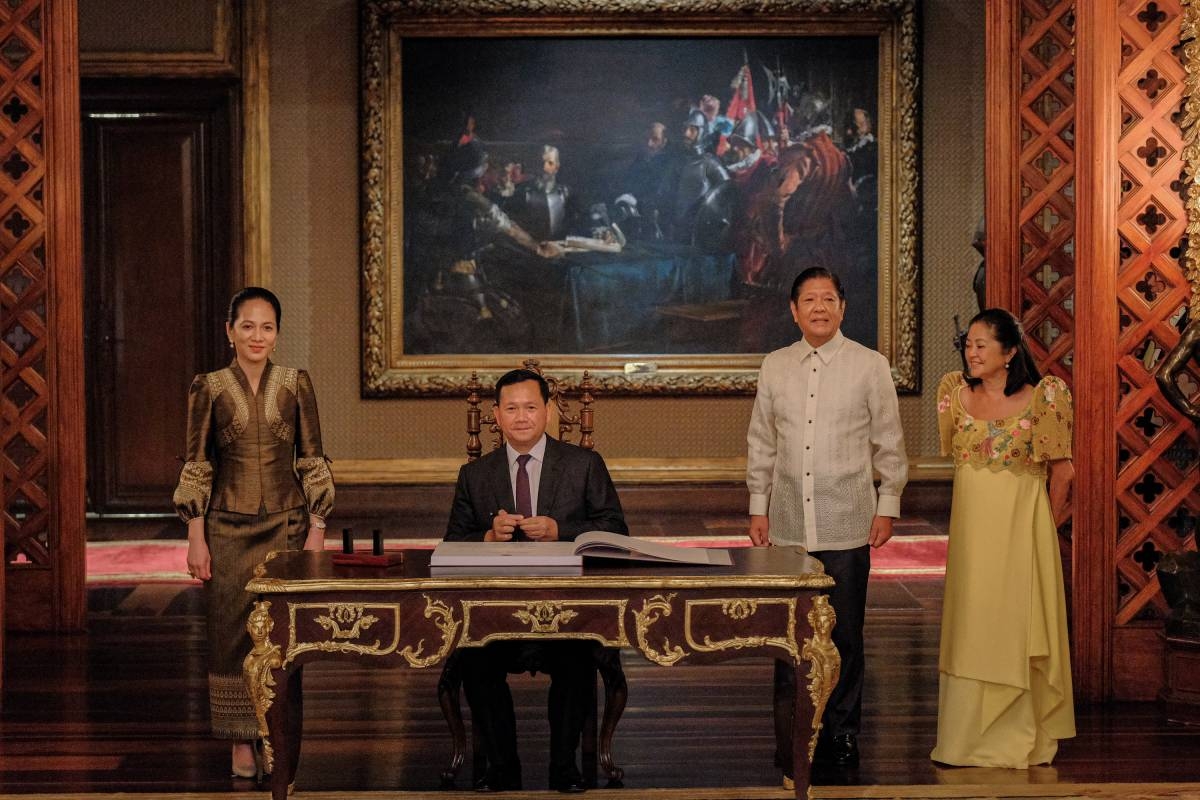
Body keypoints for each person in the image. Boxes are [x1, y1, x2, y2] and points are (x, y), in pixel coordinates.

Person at [746, 267, 908, 775]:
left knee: (845, 636)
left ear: (842, 308)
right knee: (788, 634)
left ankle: (841, 735)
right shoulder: (775, 366)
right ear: (794, 310)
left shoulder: (869, 365)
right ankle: (791, 734)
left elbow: (889, 441)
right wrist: (758, 504)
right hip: (789, 523)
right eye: (809, 299)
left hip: (848, 520)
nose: (819, 307)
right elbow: (762, 440)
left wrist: (888, 504)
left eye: (829, 298)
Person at [173, 287, 334, 779]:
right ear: (230, 331)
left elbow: (311, 459)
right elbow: (198, 464)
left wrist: (317, 530)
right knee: (231, 639)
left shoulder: (295, 383)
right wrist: (196, 536)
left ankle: (275, 737)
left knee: (283, 641)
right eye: (247, 325)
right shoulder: (210, 387)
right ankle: (241, 741)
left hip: (286, 526)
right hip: (224, 527)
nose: (257, 335)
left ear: (277, 333)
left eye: (266, 327)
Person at [444, 368, 627, 793]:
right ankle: (503, 768)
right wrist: (488, 535)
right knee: (475, 660)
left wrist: (560, 530)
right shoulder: (475, 475)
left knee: (579, 659)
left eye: (530, 407)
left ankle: (565, 769)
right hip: (496, 612)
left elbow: (616, 530)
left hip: (567, 609)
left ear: (547, 411)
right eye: (511, 408)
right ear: (496, 415)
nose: (521, 416)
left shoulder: (583, 465)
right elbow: (452, 543)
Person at [932, 308, 1075, 768]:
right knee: (972, 620)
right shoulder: (954, 396)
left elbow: (1063, 473)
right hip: (974, 539)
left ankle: (1017, 737)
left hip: (1023, 531)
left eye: (981, 345)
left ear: (1009, 351)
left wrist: (1043, 532)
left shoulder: (1045, 398)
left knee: (1015, 621)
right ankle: (963, 740)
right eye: (968, 345)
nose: (971, 353)